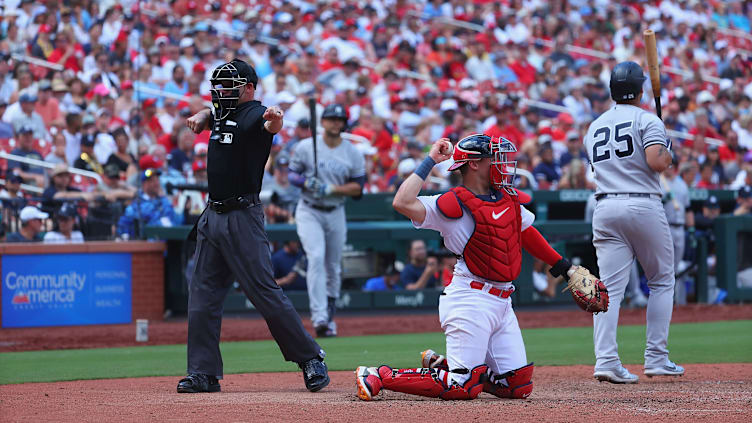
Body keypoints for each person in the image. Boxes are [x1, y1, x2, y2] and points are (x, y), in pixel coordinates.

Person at [356, 135, 585, 401]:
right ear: (474, 164)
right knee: (461, 386)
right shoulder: (452, 203)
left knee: (517, 386)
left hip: (503, 302)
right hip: (470, 299)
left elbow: (527, 233)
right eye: (494, 158)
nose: (502, 164)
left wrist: (564, 267)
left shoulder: (508, 198)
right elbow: (402, 202)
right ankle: (378, 374)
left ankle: (450, 368)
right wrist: (431, 160)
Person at [178, 59, 329, 394]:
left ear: (248, 87)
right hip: (212, 215)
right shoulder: (220, 113)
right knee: (201, 296)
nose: (222, 91)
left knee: (264, 292)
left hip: (242, 215)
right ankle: (203, 372)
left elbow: (267, 126)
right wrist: (205, 114)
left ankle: (310, 357)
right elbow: (212, 113)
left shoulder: (253, 113)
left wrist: (275, 122)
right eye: (219, 86)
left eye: (229, 85)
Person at [584, 61, 683, 383]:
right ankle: (656, 358)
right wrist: (669, 152)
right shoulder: (647, 119)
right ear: (642, 90)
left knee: (608, 290)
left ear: (611, 91)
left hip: (605, 206)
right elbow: (657, 162)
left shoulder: (594, 126)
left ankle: (607, 361)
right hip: (642, 204)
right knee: (661, 281)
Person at [288, 103, 366, 338]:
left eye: (339, 119)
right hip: (309, 209)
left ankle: (328, 316)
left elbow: (358, 187)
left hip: (335, 209)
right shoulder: (305, 146)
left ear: (344, 124)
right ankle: (319, 317)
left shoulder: (352, 152)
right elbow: (292, 174)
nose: (335, 123)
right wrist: (305, 182)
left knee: (332, 265)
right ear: (322, 122)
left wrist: (332, 189)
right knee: (316, 257)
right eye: (331, 119)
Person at [660, 161, 694, 305]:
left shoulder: (682, 185)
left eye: (671, 166)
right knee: (664, 266)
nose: (669, 168)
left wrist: (691, 228)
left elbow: (688, 209)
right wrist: (663, 199)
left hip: (680, 227)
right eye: (667, 165)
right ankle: (664, 300)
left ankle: (676, 300)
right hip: (664, 227)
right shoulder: (659, 182)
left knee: (677, 266)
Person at [116, 169, 181, 238]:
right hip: (149, 245)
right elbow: (122, 229)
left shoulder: (165, 201)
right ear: (144, 184)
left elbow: (176, 221)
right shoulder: (136, 206)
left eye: (157, 180)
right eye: (152, 181)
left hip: (172, 242)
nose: (156, 183)